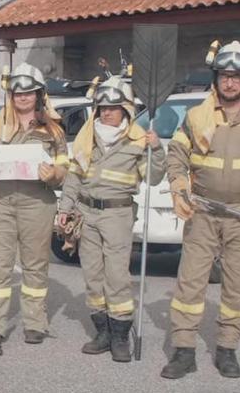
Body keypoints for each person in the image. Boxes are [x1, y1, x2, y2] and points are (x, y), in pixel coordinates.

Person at [161, 41, 240, 379]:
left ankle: (227, 349)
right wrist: (178, 187)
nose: (229, 82)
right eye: (224, 76)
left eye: (236, 76)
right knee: (190, 284)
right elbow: (176, 154)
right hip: (201, 212)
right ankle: (184, 351)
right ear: (216, 78)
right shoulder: (197, 116)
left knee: (236, 286)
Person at [57, 76, 165, 362]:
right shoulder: (86, 138)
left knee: (116, 276)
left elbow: (154, 179)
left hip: (117, 214)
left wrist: (156, 149)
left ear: (126, 110)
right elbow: (74, 176)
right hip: (86, 213)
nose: (107, 112)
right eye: (102, 107)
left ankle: (120, 337)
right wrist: (65, 208)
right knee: (93, 276)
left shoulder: (138, 140)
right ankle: (102, 332)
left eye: (113, 107)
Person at [0, 62, 69, 355]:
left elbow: (65, 169)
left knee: (35, 264)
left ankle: (35, 323)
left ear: (39, 95)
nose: (22, 97)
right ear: (10, 96)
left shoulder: (53, 130)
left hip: (36, 202)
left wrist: (53, 174)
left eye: (28, 92)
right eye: (17, 93)